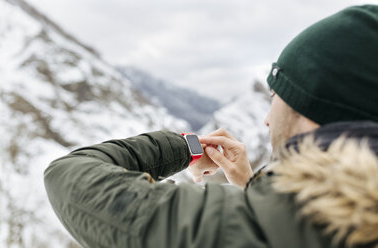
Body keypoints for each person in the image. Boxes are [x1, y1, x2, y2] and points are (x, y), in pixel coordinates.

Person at [44, 5, 378, 248]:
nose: (266, 117)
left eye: (276, 95)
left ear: (311, 109)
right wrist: (251, 187)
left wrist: (185, 148)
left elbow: (69, 175)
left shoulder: (289, 228)